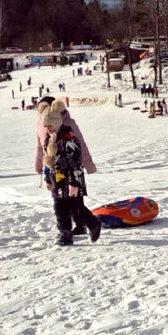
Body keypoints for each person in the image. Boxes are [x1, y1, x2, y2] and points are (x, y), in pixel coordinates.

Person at [34, 98, 102, 246]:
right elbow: (48, 159)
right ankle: (65, 234)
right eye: (45, 126)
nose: (47, 128)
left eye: (49, 125)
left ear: (57, 122)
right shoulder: (49, 140)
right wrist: (48, 178)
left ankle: (93, 224)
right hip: (57, 180)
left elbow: (76, 162)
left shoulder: (69, 140)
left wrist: (74, 182)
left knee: (76, 208)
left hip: (71, 180)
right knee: (59, 208)